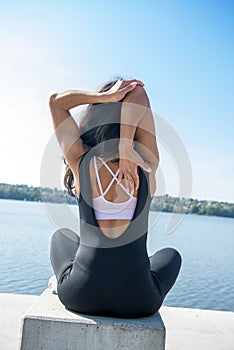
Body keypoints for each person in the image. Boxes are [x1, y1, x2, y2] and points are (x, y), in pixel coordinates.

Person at [49, 78, 181, 318]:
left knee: (63, 237)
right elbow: (139, 92)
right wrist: (125, 145)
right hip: (138, 300)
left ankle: (59, 283)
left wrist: (103, 97)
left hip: (81, 294)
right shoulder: (148, 164)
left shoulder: (80, 161)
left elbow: (56, 102)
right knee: (171, 255)